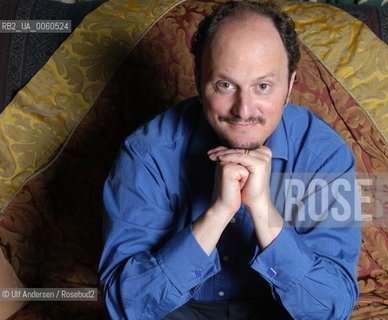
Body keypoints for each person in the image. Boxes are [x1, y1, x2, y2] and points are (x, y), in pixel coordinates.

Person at [98, 1, 361, 319]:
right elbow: (126, 305)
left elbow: (331, 308)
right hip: (178, 310)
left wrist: (263, 210)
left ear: (290, 86)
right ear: (198, 80)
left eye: (263, 87)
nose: (244, 110)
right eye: (225, 85)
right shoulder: (148, 152)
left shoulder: (323, 156)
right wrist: (217, 214)